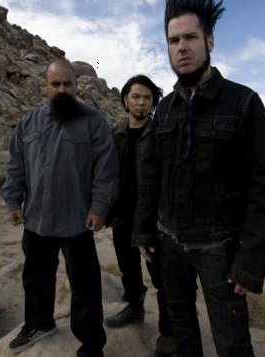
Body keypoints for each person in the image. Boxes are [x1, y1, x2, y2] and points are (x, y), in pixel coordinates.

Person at [132, 0, 265, 357]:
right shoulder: (165, 108)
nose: (181, 47)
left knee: (232, 342)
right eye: (173, 40)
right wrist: (143, 229)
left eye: (190, 38)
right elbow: (151, 175)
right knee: (183, 334)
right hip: (169, 244)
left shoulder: (243, 102)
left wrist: (251, 259)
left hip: (219, 248)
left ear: (209, 41)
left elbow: (263, 186)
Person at [1, 58, 119, 356]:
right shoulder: (29, 122)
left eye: (68, 84)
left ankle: (91, 345)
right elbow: (15, 165)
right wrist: (13, 201)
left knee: (85, 286)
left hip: (77, 219)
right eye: (56, 84)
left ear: (77, 86)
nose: (62, 89)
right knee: (35, 279)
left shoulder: (94, 122)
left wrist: (99, 208)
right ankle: (39, 324)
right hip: (36, 218)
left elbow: (106, 171)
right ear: (46, 86)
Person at [104, 75, 175, 356]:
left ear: (153, 102)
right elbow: (109, 175)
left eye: (147, 97)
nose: (141, 102)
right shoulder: (116, 133)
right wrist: (109, 210)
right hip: (123, 218)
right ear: (125, 99)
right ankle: (135, 308)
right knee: (128, 270)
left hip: (154, 220)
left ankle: (169, 335)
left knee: (162, 278)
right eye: (136, 96)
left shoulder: (161, 134)